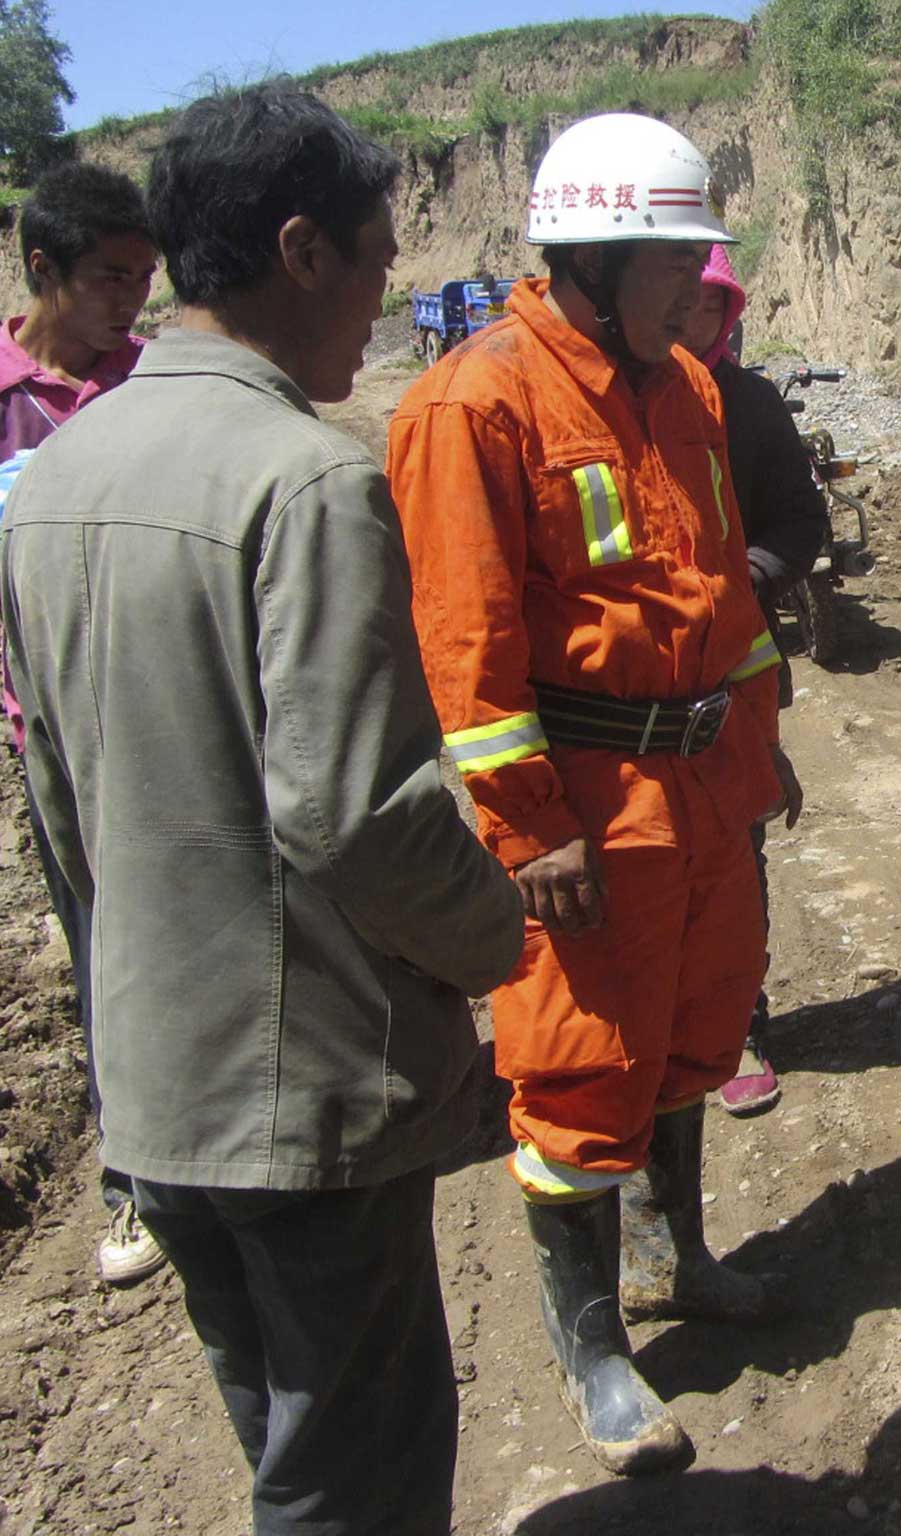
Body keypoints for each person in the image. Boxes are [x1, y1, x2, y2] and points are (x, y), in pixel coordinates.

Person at [0, 85, 524, 1536]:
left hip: (159, 1085)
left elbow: (58, 813)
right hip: (301, 1103)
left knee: (280, 1440)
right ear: (301, 252)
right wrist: (495, 937)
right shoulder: (307, 480)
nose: (386, 299)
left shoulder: (49, 481)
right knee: (355, 1479)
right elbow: (355, 814)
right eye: (375, 258)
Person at [385, 112, 787, 1476]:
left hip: (697, 784)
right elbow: (466, 650)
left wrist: (758, 750)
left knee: (695, 1029)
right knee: (579, 1070)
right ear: (598, 258)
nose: (702, 286)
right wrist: (528, 827)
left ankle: (680, 1254)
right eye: (679, 261)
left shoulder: (689, 387)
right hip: (585, 803)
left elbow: (723, 595)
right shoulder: (476, 403)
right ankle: (596, 1342)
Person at [0, 162, 160, 1287]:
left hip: (173, 711)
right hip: (54, 730)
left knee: (201, 932)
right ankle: (137, 1184)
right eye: (111, 278)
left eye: (144, 278)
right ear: (41, 268)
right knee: (107, 947)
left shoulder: (155, 385)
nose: (131, 302)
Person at [678, 240, 826, 1118]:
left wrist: (746, 583)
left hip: (734, 670)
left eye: (706, 304)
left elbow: (799, 518)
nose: (687, 317)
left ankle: (738, 1021)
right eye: (675, 296)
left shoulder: (749, 403)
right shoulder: (607, 404)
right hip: (629, 686)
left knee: (737, 842)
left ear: (725, 315)